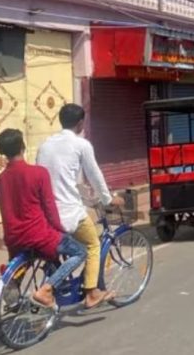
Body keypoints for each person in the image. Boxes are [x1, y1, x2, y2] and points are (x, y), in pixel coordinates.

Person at [37, 104, 124, 309]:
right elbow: (94, 175)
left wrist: (82, 194)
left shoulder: (45, 145)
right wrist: (107, 199)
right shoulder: (81, 145)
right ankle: (92, 292)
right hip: (68, 213)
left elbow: (55, 179)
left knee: (66, 247)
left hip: (47, 214)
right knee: (93, 244)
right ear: (80, 123)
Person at [0, 128, 88, 309]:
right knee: (80, 252)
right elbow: (50, 209)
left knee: (32, 259)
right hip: (39, 236)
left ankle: (13, 290)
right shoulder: (38, 173)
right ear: (23, 146)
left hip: (14, 239)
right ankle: (46, 289)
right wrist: (61, 229)